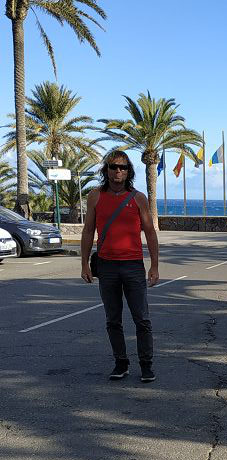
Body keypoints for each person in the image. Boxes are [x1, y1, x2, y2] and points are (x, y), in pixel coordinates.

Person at [80, 149, 159, 382]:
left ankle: (146, 364)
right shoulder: (95, 196)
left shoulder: (138, 198)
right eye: (113, 167)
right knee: (113, 319)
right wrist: (84, 264)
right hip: (106, 267)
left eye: (123, 167)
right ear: (106, 170)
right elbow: (87, 232)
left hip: (133, 266)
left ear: (128, 172)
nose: (118, 171)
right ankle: (121, 362)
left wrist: (154, 266)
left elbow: (150, 233)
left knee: (141, 318)